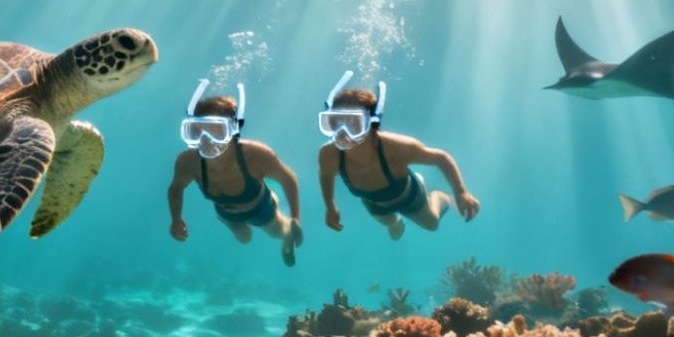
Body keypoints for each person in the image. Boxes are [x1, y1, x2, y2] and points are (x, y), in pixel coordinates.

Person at [316, 74, 479, 240]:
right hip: (373, 203)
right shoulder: (329, 154)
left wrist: (460, 192)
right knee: (390, 223)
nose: (343, 133)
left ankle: (438, 196)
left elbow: (441, 158)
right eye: (335, 122)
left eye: (354, 124)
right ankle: (396, 221)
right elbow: (326, 175)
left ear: (372, 125)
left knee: (432, 225)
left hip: (409, 197)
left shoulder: (395, 147)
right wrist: (330, 206)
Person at [168, 81, 304, 266]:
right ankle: (248, 214)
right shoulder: (188, 162)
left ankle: (280, 218)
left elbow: (289, 179)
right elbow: (176, 189)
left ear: (233, 131)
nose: (207, 141)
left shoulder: (256, 155)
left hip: (261, 208)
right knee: (244, 238)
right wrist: (176, 219)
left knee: (277, 232)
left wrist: (295, 219)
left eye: (217, 132)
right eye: (197, 132)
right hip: (228, 215)